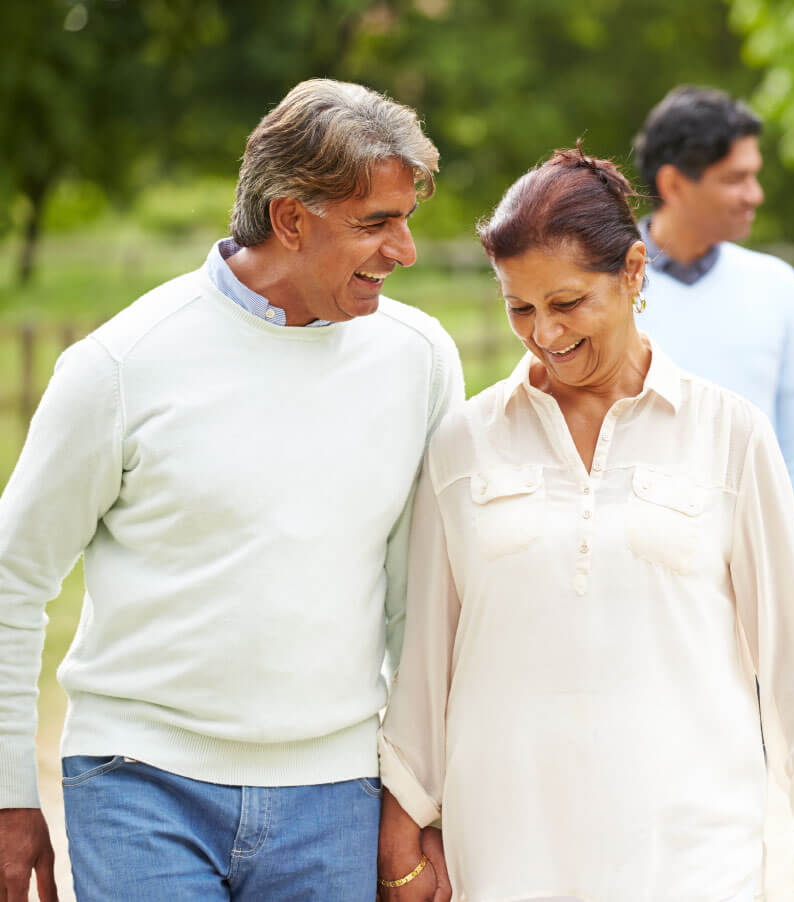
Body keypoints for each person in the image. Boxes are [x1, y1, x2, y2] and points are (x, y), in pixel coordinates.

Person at [0, 78, 463, 901]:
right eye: (375, 224)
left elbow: (418, 603)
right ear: (291, 218)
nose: (405, 251)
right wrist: (7, 796)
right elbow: (13, 580)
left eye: (407, 220)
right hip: (138, 785)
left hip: (336, 795)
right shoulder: (120, 366)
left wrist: (417, 802)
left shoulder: (419, 359)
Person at [375, 148, 794, 902]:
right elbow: (426, 657)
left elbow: (792, 653)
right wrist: (404, 827)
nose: (544, 332)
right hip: (509, 848)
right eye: (519, 308)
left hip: (692, 846)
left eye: (567, 304)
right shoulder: (464, 444)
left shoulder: (729, 434)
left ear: (634, 272)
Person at [632, 85, 794, 605]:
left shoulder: (779, 287)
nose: (755, 194)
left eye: (754, 175)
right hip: (632, 573)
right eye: (736, 179)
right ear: (674, 182)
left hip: (752, 573)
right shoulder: (601, 284)